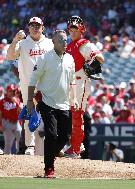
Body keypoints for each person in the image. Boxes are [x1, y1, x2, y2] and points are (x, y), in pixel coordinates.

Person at [27, 30, 78, 178]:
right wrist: (30, 101)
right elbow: (32, 81)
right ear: (53, 42)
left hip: (64, 104)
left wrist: (74, 98)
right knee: (51, 134)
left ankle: (51, 154)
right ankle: (49, 168)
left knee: (64, 136)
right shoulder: (44, 58)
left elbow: (72, 81)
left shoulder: (70, 58)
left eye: (66, 39)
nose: (65, 42)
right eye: (61, 40)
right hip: (47, 102)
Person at [6, 17, 53, 155]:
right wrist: (15, 40)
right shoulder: (22, 43)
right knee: (29, 114)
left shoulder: (49, 43)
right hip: (28, 85)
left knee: (50, 114)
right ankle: (30, 146)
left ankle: (53, 145)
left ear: (42, 28)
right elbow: (9, 57)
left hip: (47, 84)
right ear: (28, 28)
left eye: (37, 25)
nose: (34, 27)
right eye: (32, 25)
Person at [65, 16, 105, 157]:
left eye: (76, 28)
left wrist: (90, 67)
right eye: (71, 28)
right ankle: (77, 144)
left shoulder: (85, 44)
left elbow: (100, 58)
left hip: (81, 81)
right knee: (68, 115)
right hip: (70, 83)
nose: (73, 31)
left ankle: (75, 148)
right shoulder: (68, 45)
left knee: (77, 115)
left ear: (81, 29)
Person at [0, 84, 22, 154]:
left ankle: (21, 156)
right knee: (8, 144)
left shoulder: (17, 100)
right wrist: (0, 124)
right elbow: (0, 114)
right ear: (7, 91)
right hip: (7, 122)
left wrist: (16, 102)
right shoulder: (2, 101)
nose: (11, 93)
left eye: (13, 91)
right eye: (10, 91)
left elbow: (21, 111)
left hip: (16, 123)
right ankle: (7, 160)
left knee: (20, 140)